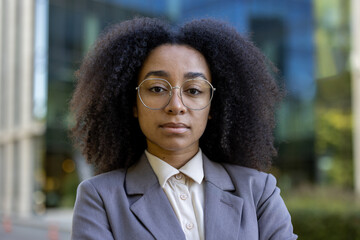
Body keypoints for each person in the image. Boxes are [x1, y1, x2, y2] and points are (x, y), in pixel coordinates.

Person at [70, 17, 297, 240]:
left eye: (194, 90)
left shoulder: (258, 191)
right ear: (133, 104)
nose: (176, 106)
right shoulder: (99, 197)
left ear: (212, 107)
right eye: (157, 89)